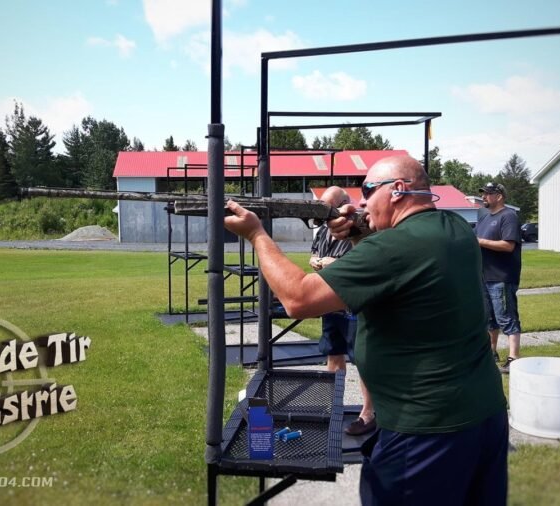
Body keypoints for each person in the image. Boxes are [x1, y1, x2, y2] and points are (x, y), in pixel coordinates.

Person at [224, 155, 508, 505]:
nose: (359, 202)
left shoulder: (392, 248)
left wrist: (256, 234)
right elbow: (396, 277)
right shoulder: (454, 228)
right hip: (484, 415)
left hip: (423, 430)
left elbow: (298, 298)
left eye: (367, 190)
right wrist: (360, 232)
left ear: (398, 190)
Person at [310, 186, 376, 436]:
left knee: (361, 360)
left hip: (353, 304)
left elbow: (365, 263)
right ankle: (331, 407)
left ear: (345, 203)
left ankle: (368, 413)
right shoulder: (325, 230)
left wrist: (334, 264)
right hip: (331, 301)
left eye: (330, 208)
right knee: (333, 354)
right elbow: (315, 254)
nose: (326, 215)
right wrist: (316, 261)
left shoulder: (361, 227)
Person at [476, 182, 523, 374]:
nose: (484, 197)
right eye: (484, 194)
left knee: (506, 317)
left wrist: (480, 242)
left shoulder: (509, 216)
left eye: (488, 194)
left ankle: (514, 358)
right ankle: (491, 353)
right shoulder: (485, 218)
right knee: (489, 319)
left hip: (502, 277)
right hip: (485, 276)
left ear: (500, 196)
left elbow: (508, 245)